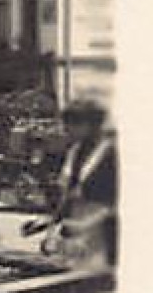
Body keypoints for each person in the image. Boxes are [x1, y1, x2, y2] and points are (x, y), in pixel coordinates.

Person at [23, 100, 117, 267]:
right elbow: (68, 196)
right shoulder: (74, 152)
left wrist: (86, 224)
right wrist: (47, 222)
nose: (66, 129)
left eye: (74, 124)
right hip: (77, 233)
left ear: (92, 125)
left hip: (103, 233)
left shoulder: (112, 156)